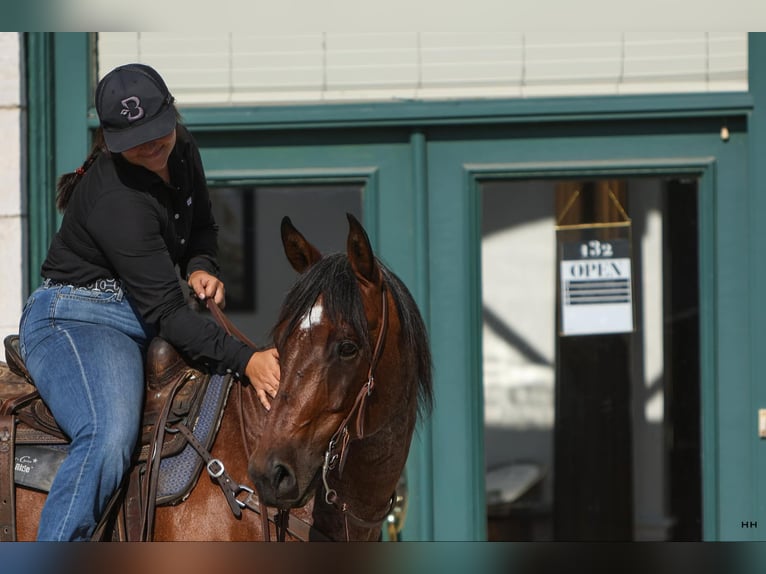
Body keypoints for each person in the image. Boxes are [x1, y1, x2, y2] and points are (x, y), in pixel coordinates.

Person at [18, 63, 281, 541]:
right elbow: (169, 315)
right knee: (106, 435)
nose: (153, 146)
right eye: (136, 140)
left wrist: (202, 266)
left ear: (172, 114)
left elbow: (202, 224)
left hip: (142, 313)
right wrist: (247, 360)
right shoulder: (115, 198)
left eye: (159, 131)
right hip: (79, 319)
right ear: (110, 139)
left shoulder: (183, 149)